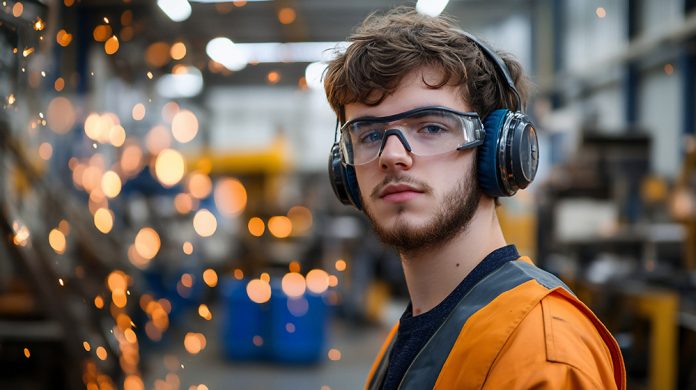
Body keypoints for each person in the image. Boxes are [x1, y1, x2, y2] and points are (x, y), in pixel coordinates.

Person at [323, 6, 626, 390]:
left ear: (499, 153)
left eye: (430, 127)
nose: (392, 155)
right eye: (368, 135)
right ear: (345, 171)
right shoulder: (413, 334)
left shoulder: (543, 352)